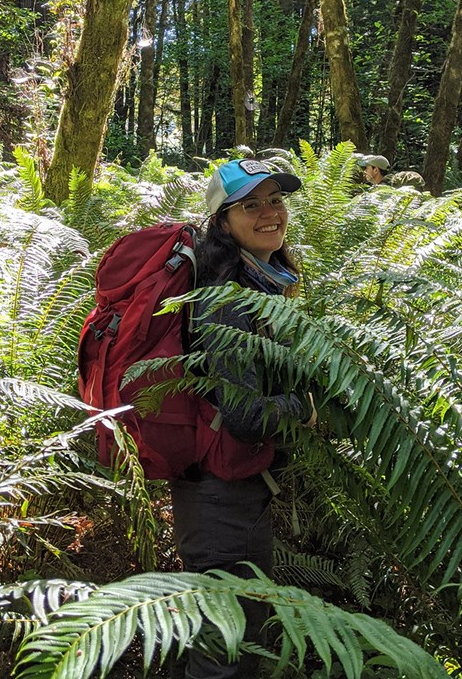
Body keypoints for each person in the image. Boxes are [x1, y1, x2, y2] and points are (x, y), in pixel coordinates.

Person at [170, 158, 317, 679]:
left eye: (276, 200)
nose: (269, 213)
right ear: (223, 220)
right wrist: (311, 406)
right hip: (218, 496)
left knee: (236, 633)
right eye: (250, 205)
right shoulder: (227, 298)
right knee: (225, 646)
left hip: (233, 488)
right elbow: (246, 415)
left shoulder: (262, 282)